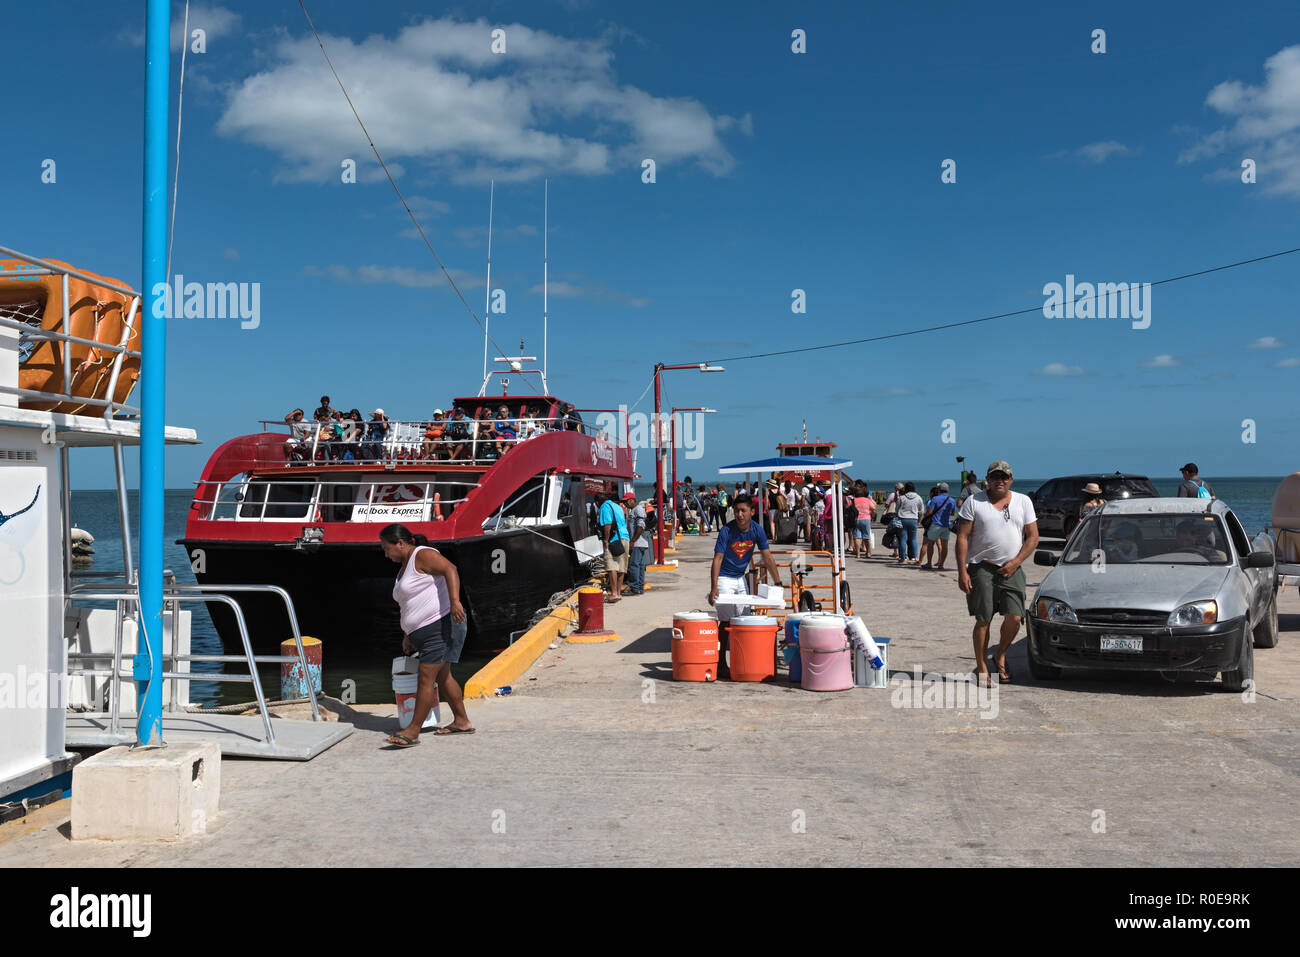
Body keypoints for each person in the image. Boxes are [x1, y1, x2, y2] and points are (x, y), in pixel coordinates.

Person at [379, 523, 472, 746]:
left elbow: (450, 569)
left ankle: (412, 731)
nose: (386, 554)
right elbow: (408, 604)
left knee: (426, 677)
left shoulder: (422, 555)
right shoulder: (404, 568)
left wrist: (455, 602)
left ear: (401, 543)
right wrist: (407, 634)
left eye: (387, 548)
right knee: (443, 676)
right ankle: (462, 721)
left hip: (440, 626)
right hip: (421, 631)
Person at [954, 460, 1039, 685]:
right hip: (982, 567)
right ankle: (982, 666)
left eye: (1004, 477)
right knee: (983, 619)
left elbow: (1033, 537)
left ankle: (1000, 653)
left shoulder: (1023, 501)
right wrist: (962, 571)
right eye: (995, 477)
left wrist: (1016, 561)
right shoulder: (974, 502)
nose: (999, 480)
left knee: (1015, 616)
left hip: (1013, 568)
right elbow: (962, 537)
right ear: (987, 480)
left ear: (1011, 480)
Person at [708, 495, 784, 679]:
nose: (740, 514)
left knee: (743, 620)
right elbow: (717, 559)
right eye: (736, 511)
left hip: (741, 579)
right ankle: (720, 663)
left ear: (751, 511)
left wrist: (778, 582)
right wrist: (714, 587)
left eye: (743, 511)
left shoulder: (757, 530)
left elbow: (767, 556)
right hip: (725, 578)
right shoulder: (727, 530)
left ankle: (743, 661)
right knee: (725, 622)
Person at [599, 490, 630, 602]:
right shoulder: (618, 507)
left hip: (614, 539)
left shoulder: (604, 506)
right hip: (625, 537)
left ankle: (613, 593)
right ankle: (618, 593)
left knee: (612, 566)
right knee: (621, 567)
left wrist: (606, 540)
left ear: (598, 502)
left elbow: (607, 524)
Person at [922, 482, 957, 570]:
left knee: (930, 544)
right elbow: (953, 513)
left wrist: (925, 515)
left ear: (939, 490)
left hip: (935, 524)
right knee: (944, 545)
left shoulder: (935, 499)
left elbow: (929, 512)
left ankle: (929, 563)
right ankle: (941, 564)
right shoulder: (952, 500)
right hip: (946, 525)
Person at [625, 492, 650, 595]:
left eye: (626, 501)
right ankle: (639, 588)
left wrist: (633, 541)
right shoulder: (633, 510)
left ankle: (635, 588)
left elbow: (640, 526)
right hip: (639, 542)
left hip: (638, 543)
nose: (625, 504)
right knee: (639, 565)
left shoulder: (638, 509)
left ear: (632, 500)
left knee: (633, 565)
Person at [895, 482, 924, 565]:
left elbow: (897, 510)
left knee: (903, 539)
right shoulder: (918, 498)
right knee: (913, 539)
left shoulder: (902, 498)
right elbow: (921, 511)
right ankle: (915, 557)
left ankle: (903, 558)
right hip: (913, 519)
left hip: (902, 519)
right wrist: (919, 521)